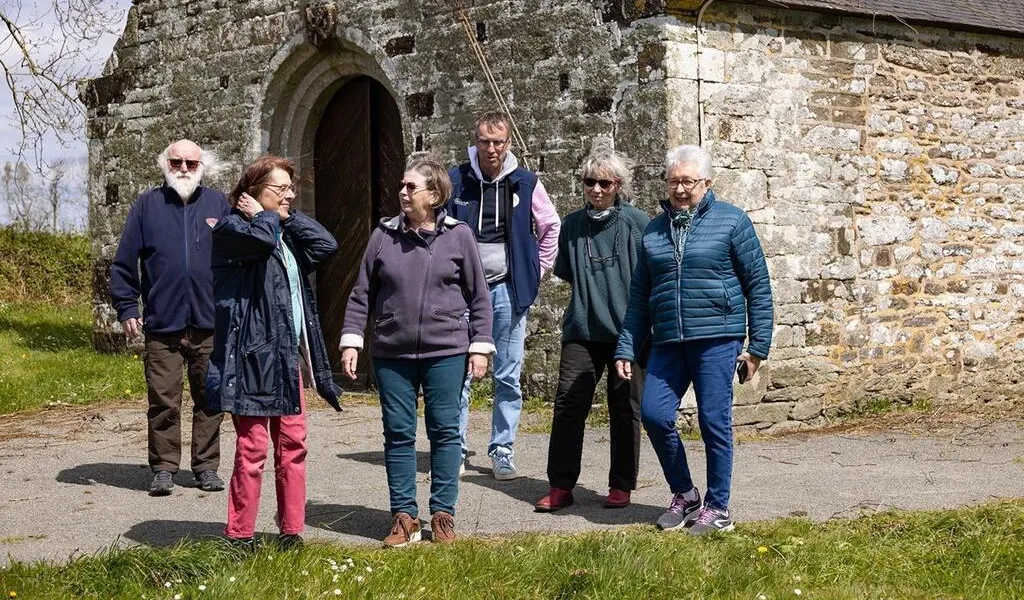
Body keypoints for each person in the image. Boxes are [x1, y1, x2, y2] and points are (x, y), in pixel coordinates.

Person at [614, 144, 773, 535]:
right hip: (668, 339)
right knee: (654, 414)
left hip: (718, 337)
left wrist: (757, 348)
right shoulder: (654, 230)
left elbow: (758, 285)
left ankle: (718, 507)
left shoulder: (732, 221)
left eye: (688, 181)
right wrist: (626, 346)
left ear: (707, 183)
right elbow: (639, 297)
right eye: (673, 182)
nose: (680, 189)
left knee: (713, 421)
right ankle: (685, 494)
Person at [340, 156, 494, 547]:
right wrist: (352, 339)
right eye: (402, 186)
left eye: (412, 186)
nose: (403, 192)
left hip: (447, 351)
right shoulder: (382, 236)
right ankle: (405, 517)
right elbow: (361, 294)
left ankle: (443, 515)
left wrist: (479, 346)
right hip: (392, 354)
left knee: (445, 432)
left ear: (435, 195)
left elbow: (479, 297)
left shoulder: (459, 236)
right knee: (398, 433)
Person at [205, 155, 342, 549]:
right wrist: (263, 217)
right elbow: (259, 241)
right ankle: (240, 535)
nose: (290, 195)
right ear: (252, 192)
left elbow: (327, 244)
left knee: (294, 445)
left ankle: (291, 531)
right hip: (252, 359)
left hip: (286, 359)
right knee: (252, 450)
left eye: (291, 188)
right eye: (280, 189)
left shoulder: (282, 234)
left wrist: (286, 216)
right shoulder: (232, 230)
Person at [110, 139, 231, 496]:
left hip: (210, 322)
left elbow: (238, 257)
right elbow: (123, 261)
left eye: (191, 163)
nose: (183, 169)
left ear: (202, 167)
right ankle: (163, 468)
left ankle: (205, 467)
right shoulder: (147, 205)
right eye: (176, 162)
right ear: (165, 163)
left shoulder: (218, 204)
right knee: (163, 400)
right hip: (163, 323)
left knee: (210, 399)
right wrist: (127, 307)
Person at [534, 141, 649, 513]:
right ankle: (561, 486)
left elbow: (651, 277)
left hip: (627, 334)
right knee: (568, 405)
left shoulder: (637, 224)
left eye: (605, 183)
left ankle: (621, 485)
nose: (596, 190)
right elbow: (567, 272)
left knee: (625, 408)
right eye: (589, 182)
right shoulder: (571, 226)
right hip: (582, 331)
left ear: (618, 185)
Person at [446, 111, 560, 480]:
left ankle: (502, 452)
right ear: (475, 142)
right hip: (461, 295)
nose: (491, 148)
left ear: (508, 143)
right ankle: (455, 450)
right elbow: (439, 225)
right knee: (458, 375)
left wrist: (535, 270)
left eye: (498, 142)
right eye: (485, 141)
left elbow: (550, 226)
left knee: (507, 377)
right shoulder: (456, 180)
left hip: (508, 290)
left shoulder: (525, 182)